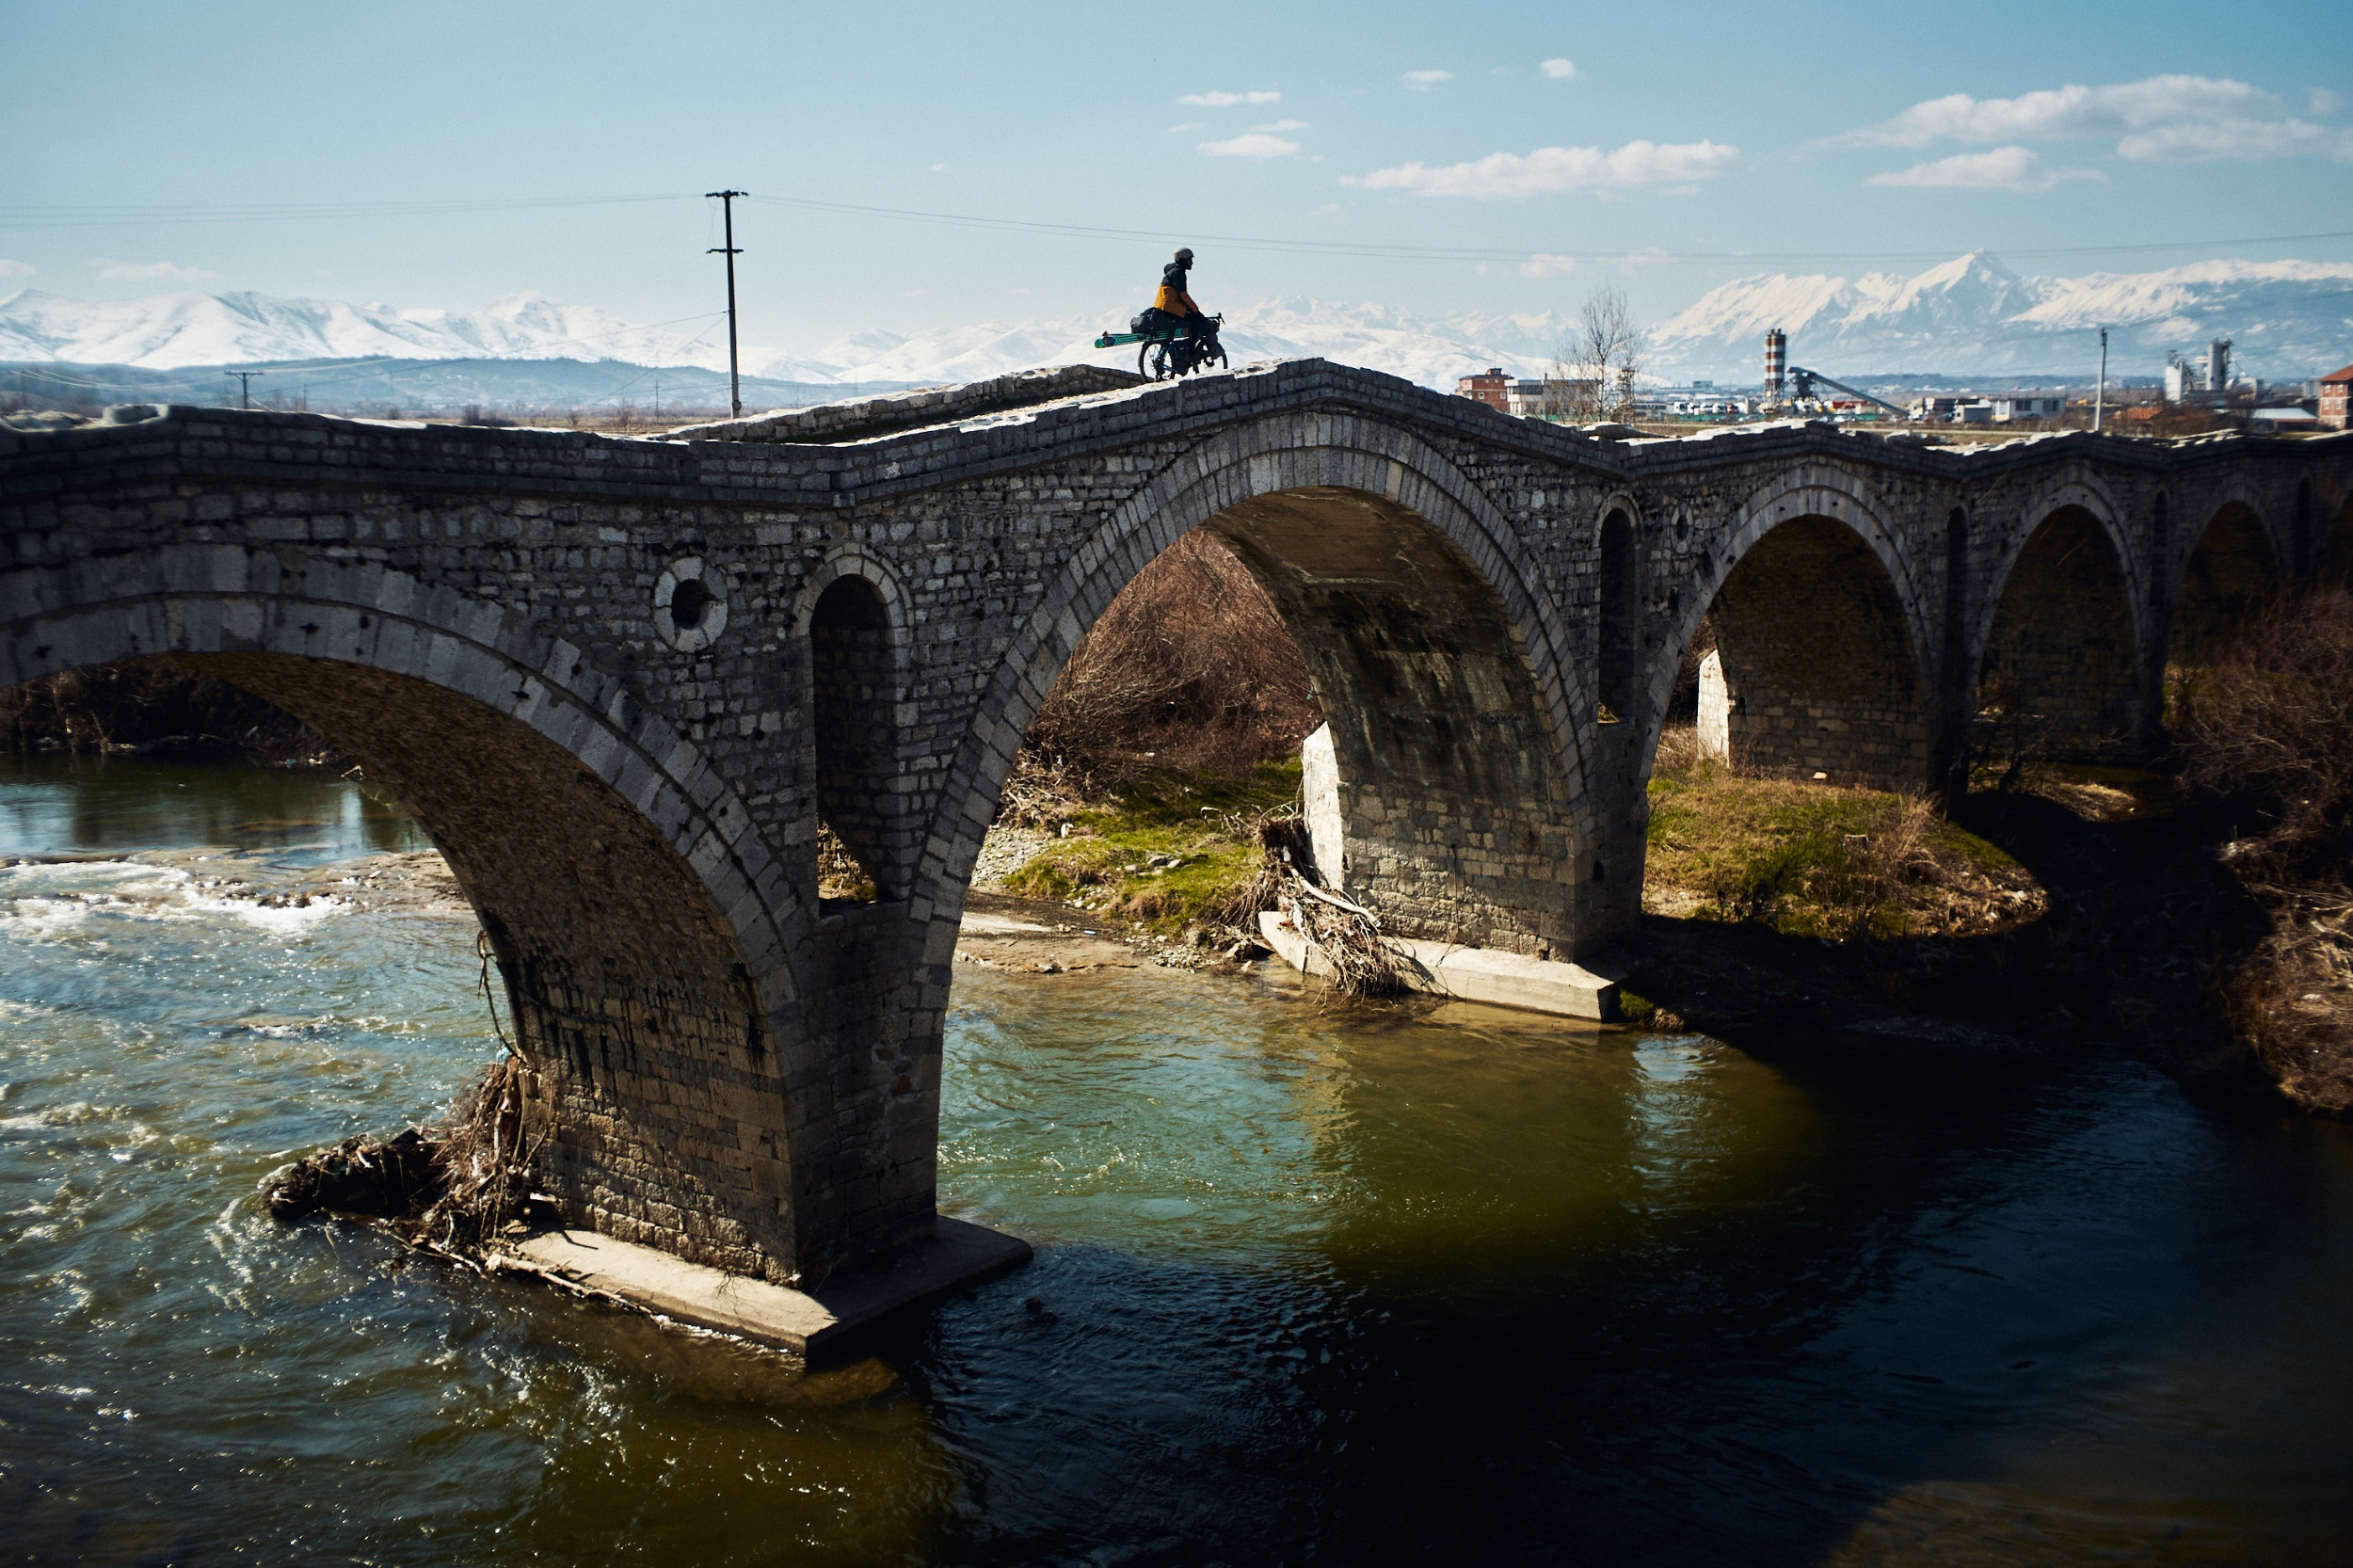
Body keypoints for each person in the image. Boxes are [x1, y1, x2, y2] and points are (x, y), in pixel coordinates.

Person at [1145, 248, 1210, 337]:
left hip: (1163, 307)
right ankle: (1191, 350)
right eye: (1189, 260)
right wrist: (1197, 312)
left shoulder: (1173, 271)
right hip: (1170, 308)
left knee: (1191, 317)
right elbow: (1184, 296)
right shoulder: (1178, 273)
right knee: (1196, 322)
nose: (1192, 262)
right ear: (1183, 260)